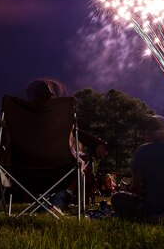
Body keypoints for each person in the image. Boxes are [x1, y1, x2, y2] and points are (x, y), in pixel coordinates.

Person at [24, 78, 107, 206]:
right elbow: (74, 131)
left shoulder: (19, 115)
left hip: (23, 166)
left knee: (78, 159)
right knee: (81, 162)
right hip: (57, 165)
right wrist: (96, 143)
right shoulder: (58, 115)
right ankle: (63, 198)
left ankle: (49, 199)